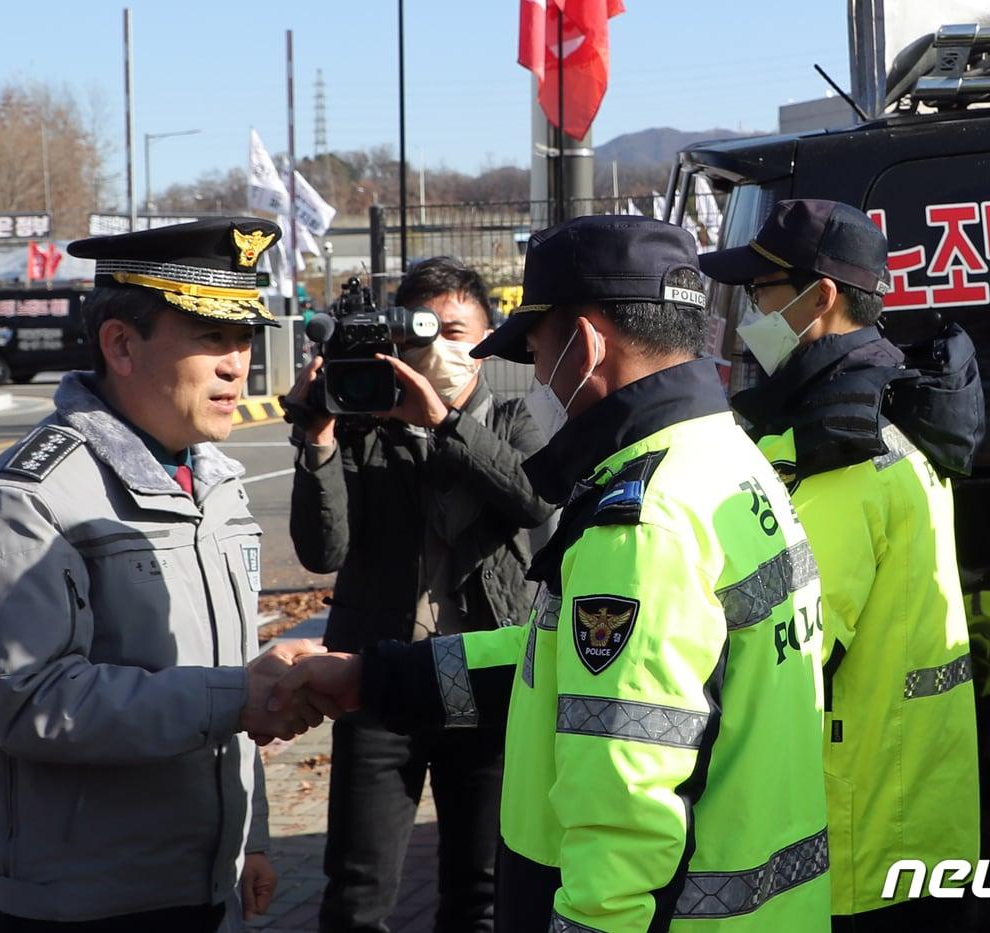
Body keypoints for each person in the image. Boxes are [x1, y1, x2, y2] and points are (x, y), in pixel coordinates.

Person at [276, 216, 833, 931]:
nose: (537, 373)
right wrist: (374, 678)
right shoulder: (730, 459)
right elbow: (564, 659)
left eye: (536, 349)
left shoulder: (643, 521)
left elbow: (625, 819)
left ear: (587, 344)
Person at [0, 218, 333, 932]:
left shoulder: (214, 482)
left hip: (200, 883)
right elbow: (33, 701)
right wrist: (239, 694)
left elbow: (224, 679)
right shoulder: (29, 497)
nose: (237, 364)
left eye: (243, 339)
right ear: (121, 343)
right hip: (80, 900)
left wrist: (250, 837)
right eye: (211, 338)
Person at [699, 198, 984, 932]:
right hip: (912, 795)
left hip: (851, 826)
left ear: (817, 298)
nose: (748, 315)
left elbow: (792, 647)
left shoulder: (838, 444)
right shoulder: (900, 404)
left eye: (760, 295)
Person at [285, 256, 554, 932]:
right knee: (357, 889)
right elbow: (324, 551)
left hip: (482, 678)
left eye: (455, 331)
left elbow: (531, 501)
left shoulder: (518, 419)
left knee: (481, 890)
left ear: (488, 343)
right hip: (378, 671)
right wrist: (318, 437)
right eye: (421, 334)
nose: (438, 349)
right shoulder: (364, 427)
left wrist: (446, 420)